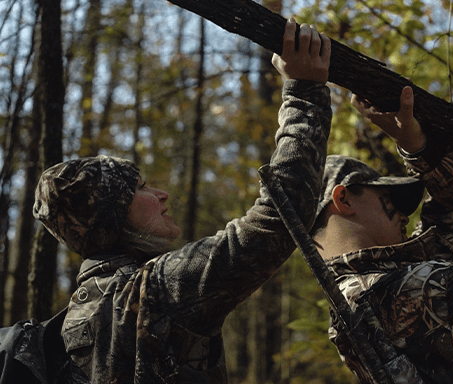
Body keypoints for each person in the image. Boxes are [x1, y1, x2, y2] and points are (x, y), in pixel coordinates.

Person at [7, 19, 332, 384]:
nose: (161, 194)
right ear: (113, 218)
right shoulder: (155, 292)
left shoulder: (74, 323)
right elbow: (279, 218)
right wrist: (305, 91)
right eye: (141, 188)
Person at [312, 86, 453, 383]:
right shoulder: (385, 295)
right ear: (344, 200)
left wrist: (418, 148)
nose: (404, 216)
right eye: (387, 200)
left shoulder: (376, 288)